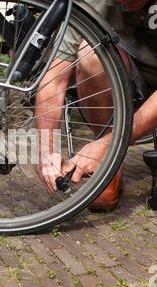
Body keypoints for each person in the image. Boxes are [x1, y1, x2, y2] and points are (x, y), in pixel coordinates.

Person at [36, 0, 157, 209]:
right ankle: (110, 168)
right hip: (130, 77)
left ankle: (108, 152)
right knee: (91, 53)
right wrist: (46, 152)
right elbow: (54, 81)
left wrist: (108, 146)